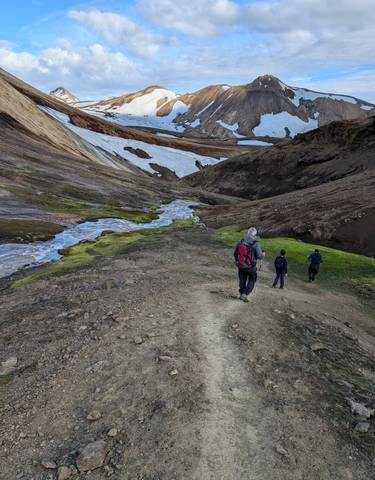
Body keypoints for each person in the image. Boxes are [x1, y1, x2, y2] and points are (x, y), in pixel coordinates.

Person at [234, 227, 265, 302]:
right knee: (252, 279)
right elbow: (260, 256)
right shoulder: (256, 243)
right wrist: (263, 254)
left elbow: (235, 253)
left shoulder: (241, 241)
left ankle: (242, 292)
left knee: (242, 279)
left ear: (247, 233)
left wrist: (238, 261)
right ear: (254, 235)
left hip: (241, 265)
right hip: (251, 267)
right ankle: (245, 294)